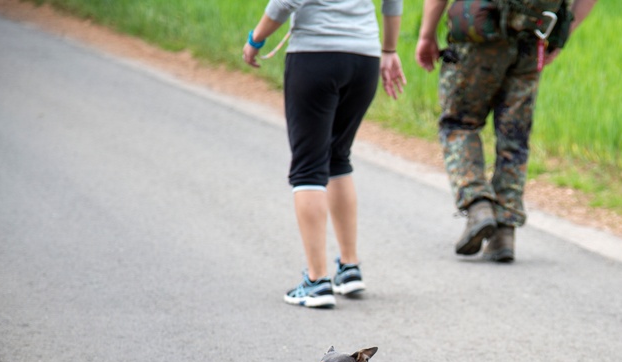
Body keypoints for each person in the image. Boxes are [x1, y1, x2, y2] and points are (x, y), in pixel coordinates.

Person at [243, 0, 406, 308]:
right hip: (365, 58)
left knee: (308, 168)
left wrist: (256, 39)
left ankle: (317, 281)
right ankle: (349, 266)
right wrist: (388, 50)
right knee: (337, 157)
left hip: (316, 55)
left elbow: (285, 1)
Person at [415, 0, 597, 263]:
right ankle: (504, 233)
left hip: (480, 32)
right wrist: (562, 34)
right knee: (514, 136)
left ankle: (477, 205)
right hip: (534, 34)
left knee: (459, 123)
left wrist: (426, 33)